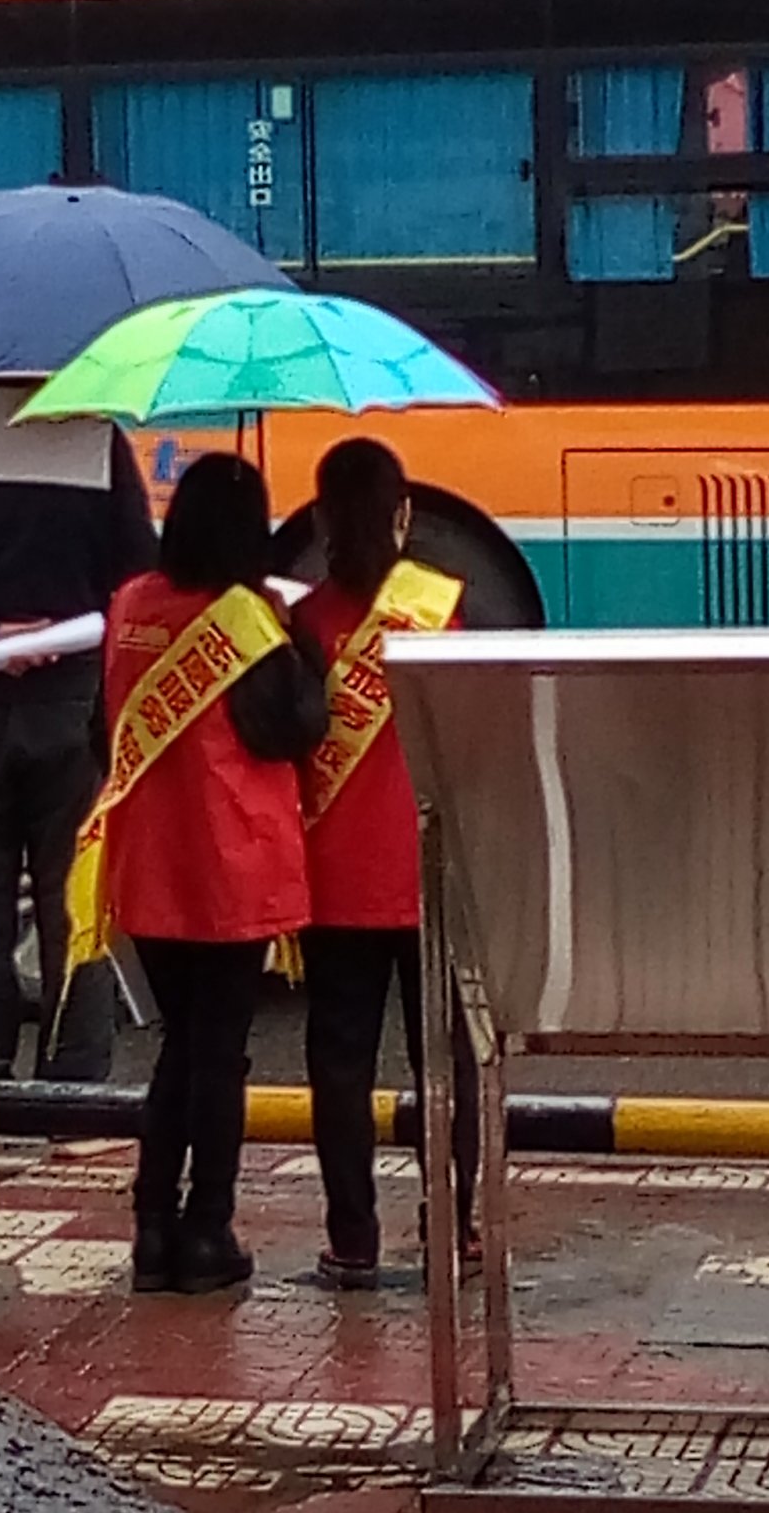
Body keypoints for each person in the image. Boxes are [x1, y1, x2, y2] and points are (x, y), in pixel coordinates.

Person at [99, 454, 327, 1295]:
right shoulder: (251, 621)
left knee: (179, 1045)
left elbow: (101, 727)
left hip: (150, 864)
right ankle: (207, 1231)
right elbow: (290, 729)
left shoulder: (131, 604)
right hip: (232, 864)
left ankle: (151, 1229)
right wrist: (300, 648)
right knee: (218, 1054)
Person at [0, 389, 156, 1082]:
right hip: (72, 705)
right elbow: (139, 577)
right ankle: (75, 1083)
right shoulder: (95, 438)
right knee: (74, 901)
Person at [295, 438, 480, 1291]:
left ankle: (353, 1240)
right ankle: (455, 1227)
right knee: (446, 1059)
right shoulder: (442, 610)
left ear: (322, 518)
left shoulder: (303, 624)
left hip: (333, 877)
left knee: (341, 1064)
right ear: (402, 514)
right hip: (431, 868)